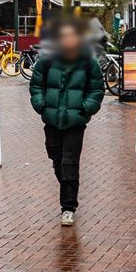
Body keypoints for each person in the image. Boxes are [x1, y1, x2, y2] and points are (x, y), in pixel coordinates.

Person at [28, 19, 105, 227]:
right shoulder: (47, 60)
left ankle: (68, 207)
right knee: (55, 156)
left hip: (75, 121)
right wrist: (40, 104)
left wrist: (85, 107)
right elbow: (36, 85)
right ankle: (68, 186)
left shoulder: (88, 61)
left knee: (69, 162)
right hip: (52, 119)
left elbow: (97, 89)